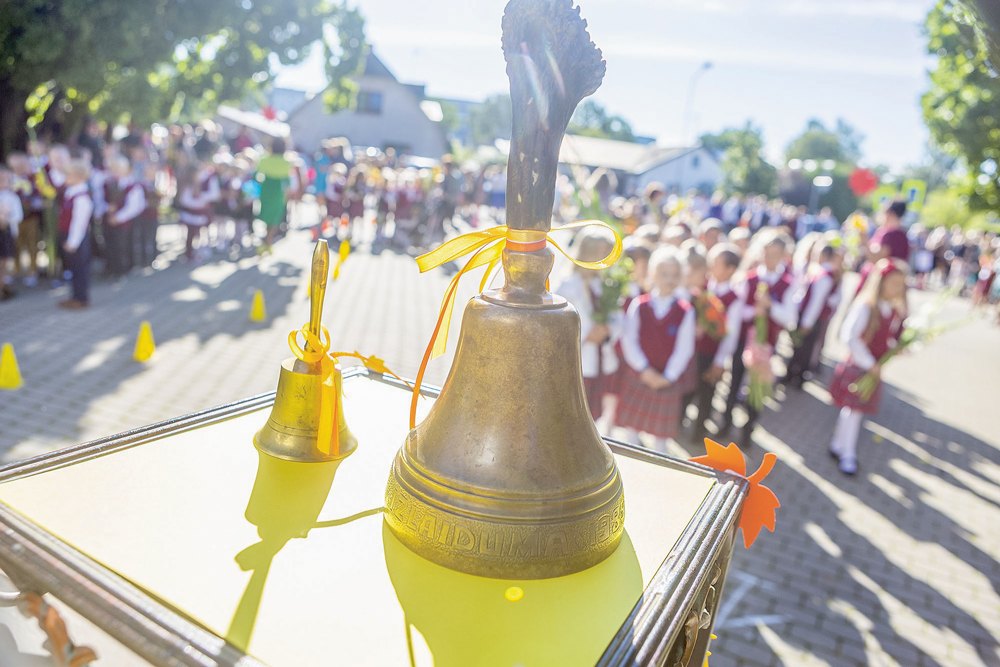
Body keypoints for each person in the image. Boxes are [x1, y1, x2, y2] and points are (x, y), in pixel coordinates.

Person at [828, 258, 907, 475]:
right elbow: (850, 336)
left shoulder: (893, 310)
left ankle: (838, 445)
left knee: (853, 411)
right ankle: (847, 454)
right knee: (853, 411)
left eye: (900, 284)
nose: (897, 288)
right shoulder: (866, 306)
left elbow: (888, 338)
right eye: (893, 283)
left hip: (872, 369)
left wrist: (897, 348)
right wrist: (870, 363)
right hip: (858, 367)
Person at [617, 246, 696, 452]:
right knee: (631, 432)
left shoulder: (685, 311)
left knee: (661, 438)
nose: (669, 279)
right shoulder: (639, 305)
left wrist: (669, 376)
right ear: (652, 273)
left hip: (666, 380)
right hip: (640, 375)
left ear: (681, 277)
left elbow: (684, 348)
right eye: (663, 273)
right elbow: (629, 339)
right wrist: (643, 369)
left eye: (674, 275)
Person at [721, 231, 797, 444]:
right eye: (767, 253)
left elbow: (790, 318)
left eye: (775, 254)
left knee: (757, 385)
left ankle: (748, 429)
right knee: (735, 381)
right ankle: (725, 422)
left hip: (766, 344)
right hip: (744, 340)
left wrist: (770, 306)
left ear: (783, 256)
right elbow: (738, 312)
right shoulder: (749, 278)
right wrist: (755, 310)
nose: (769, 259)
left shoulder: (788, 283)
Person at [554, 230, 621, 425]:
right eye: (601, 253)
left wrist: (607, 331)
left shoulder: (604, 285)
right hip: (576, 360)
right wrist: (585, 335)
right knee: (571, 414)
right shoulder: (568, 286)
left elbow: (617, 318)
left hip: (598, 357)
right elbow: (558, 324)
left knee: (591, 414)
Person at [688, 243, 742, 436]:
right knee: (687, 388)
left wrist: (720, 361)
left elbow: (731, 334)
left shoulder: (734, 298)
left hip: (711, 353)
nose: (712, 266)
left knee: (706, 392)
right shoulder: (702, 286)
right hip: (692, 348)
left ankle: (699, 431)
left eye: (717, 263)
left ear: (730, 269)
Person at [785, 242, 844, 387]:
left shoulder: (824, 275)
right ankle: (795, 375)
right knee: (804, 348)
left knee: (803, 349)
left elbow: (816, 302)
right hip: (814, 318)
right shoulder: (826, 273)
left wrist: (807, 322)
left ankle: (796, 376)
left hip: (811, 318)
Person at [57, 160, 94, 309]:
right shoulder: (71, 192)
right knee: (73, 268)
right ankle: (74, 296)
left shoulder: (81, 197)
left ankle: (81, 298)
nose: (65, 178)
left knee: (79, 269)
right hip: (68, 234)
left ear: (78, 177)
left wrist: (72, 242)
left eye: (68, 175)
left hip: (76, 238)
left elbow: (79, 223)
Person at [105, 155, 146, 277]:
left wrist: (118, 217)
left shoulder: (133, 186)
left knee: (124, 246)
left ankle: (123, 269)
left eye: (118, 169)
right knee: (112, 245)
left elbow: (134, 207)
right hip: (111, 221)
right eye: (114, 169)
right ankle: (112, 268)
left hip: (127, 223)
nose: (115, 172)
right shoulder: (110, 184)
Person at [255, 137, 292, 251]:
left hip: (266, 189)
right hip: (278, 191)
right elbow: (287, 181)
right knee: (275, 217)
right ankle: (268, 241)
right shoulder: (287, 162)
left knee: (267, 216)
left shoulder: (264, 159)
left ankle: (266, 242)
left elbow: (256, 174)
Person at [0, 169, 24, 300]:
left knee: (4, 261)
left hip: (6, 232)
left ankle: (2, 286)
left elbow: (18, 216)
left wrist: (6, 218)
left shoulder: (12, 197)